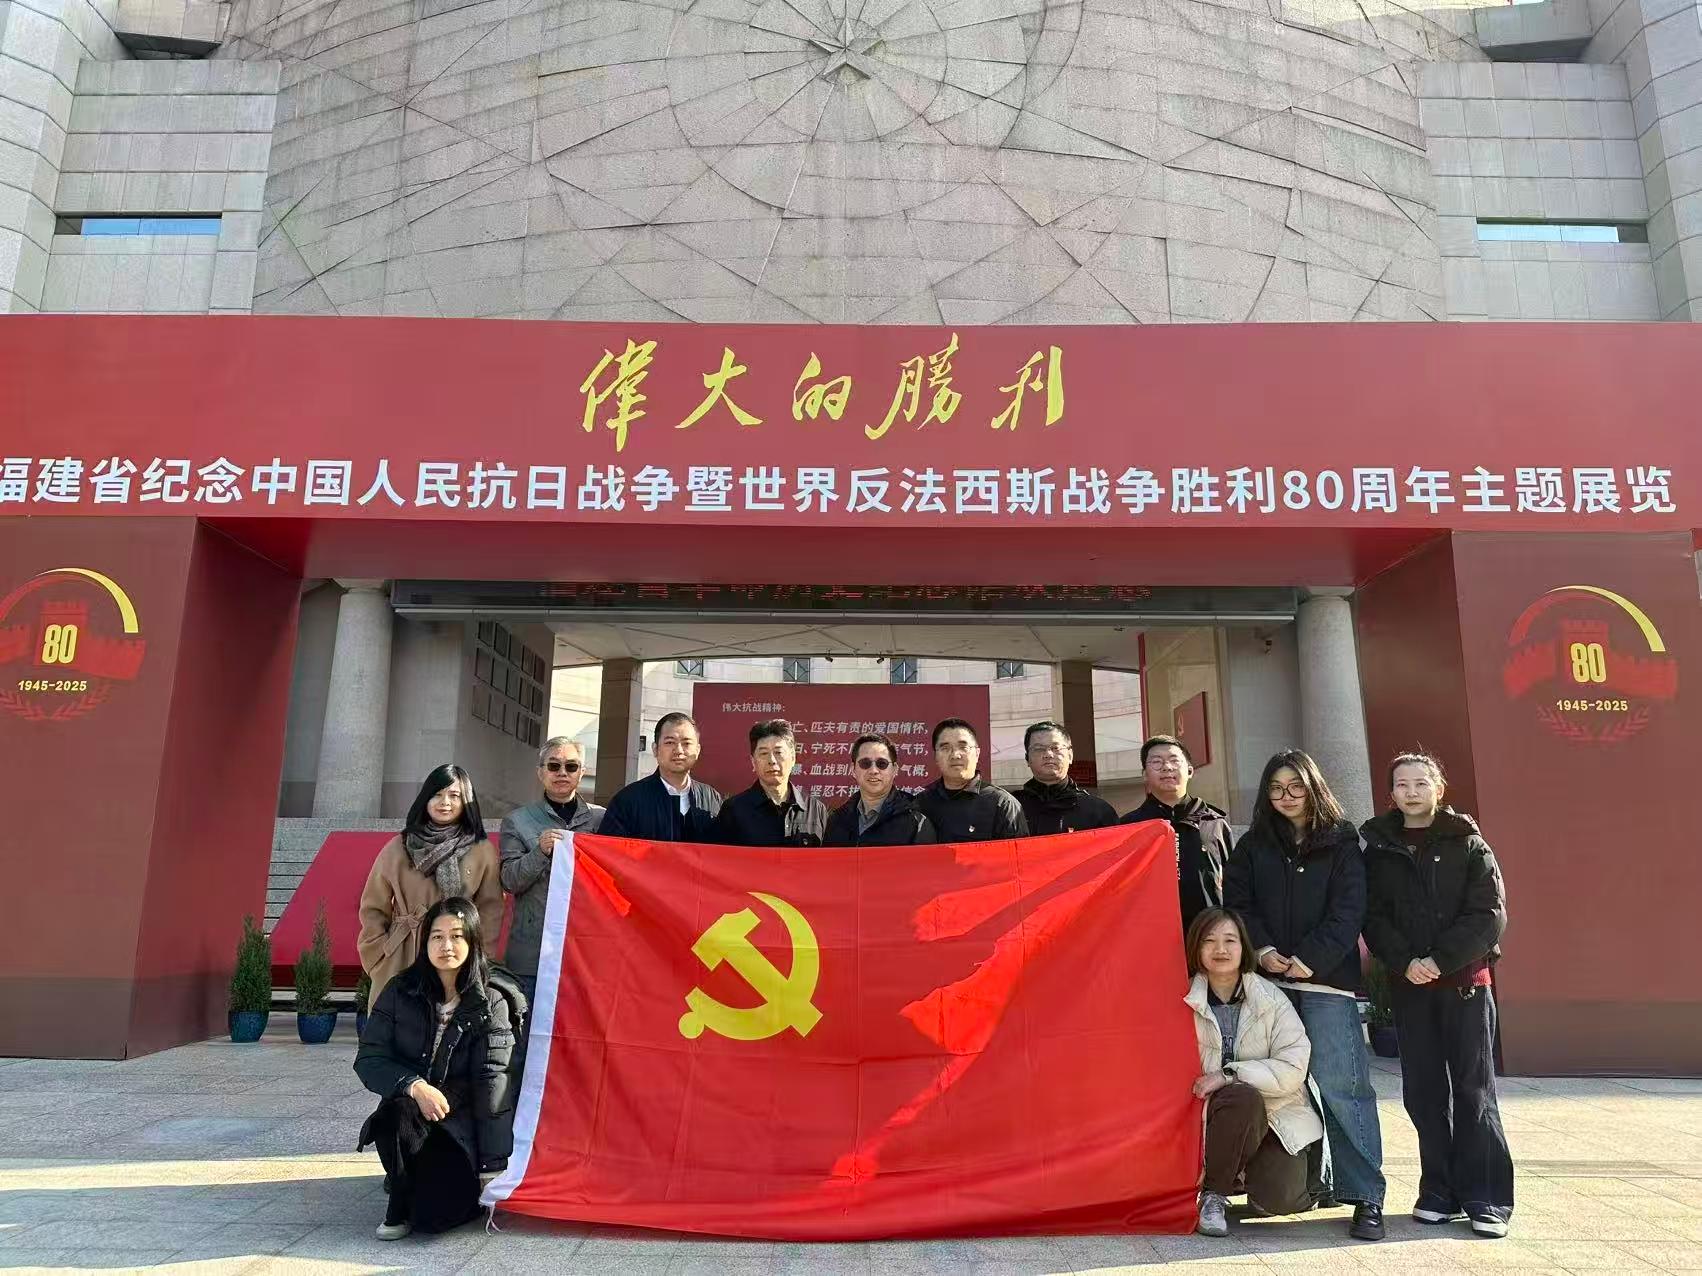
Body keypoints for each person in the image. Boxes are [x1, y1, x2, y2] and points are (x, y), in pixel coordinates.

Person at [1223, 748, 1386, 1241]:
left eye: (1296, 786)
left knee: (1343, 1089)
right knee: (1276, 1087)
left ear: (1314, 787)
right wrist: (1264, 950)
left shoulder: (1342, 843)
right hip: (1270, 986)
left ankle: (1365, 1196)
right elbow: (1238, 903)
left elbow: (1349, 910)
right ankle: (1297, 1183)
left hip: (1325, 984)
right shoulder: (1253, 845)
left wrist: (1309, 958)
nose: (1286, 796)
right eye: (1276, 789)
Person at [1362, 752, 1513, 1239]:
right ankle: (1438, 1191)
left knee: (1474, 1089)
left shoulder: (1469, 842)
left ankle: (1486, 1197)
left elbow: (1488, 914)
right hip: (1411, 987)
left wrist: (1440, 960)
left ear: (1439, 789)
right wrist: (1405, 961)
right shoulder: (1379, 848)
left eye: (1421, 783)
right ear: (1391, 793)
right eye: (1402, 784)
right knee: (1424, 1091)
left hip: (1465, 983)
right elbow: (1373, 916)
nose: (1412, 791)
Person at [355, 897, 526, 1240]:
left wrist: (491, 1167)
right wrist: (415, 1086)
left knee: (433, 1220)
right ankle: (399, 1199)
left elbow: (493, 1085)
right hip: (411, 1117)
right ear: (425, 943)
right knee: (398, 1111)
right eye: (437, 936)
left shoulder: (492, 999)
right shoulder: (401, 990)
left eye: (457, 936)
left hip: (460, 1125)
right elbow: (370, 1058)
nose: (446, 946)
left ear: (473, 941)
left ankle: (423, 1188)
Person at [1186, 906, 1324, 1237]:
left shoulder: (1270, 998)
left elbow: (1293, 1065)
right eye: (1209, 941)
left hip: (1272, 1116)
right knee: (1241, 1098)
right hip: (1203, 1116)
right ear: (1196, 948)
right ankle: (1214, 1194)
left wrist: (1230, 1074)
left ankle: (1243, 1174)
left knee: (1282, 1199)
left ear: (1243, 947)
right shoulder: (1182, 999)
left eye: (1230, 940)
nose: (1220, 949)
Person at [358, 764, 503, 1006]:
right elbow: (373, 906)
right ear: (425, 798)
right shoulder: (398, 847)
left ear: (467, 801)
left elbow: (491, 910)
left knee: (448, 1024)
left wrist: (481, 958)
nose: (445, 802)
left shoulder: (482, 851)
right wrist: (378, 954)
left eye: (454, 795)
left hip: (456, 955)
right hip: (401, 956)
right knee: (396, 1024)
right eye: (437, 794)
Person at [499, 737, 605, 1004]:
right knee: (527, 1026)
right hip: (533, 953)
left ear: (582, 772)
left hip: (586, 951)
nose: (562, 773)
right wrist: (539, 852)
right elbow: (509, 880)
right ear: (540, 772)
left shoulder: (601, 820)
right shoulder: (517, 821)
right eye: (554, 765)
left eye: (571, 766)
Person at [1121, 734, 1231, 931]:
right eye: (1156, 762)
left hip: (1208, 935)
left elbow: (1235, 885)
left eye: (1174, 760)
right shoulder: (1128, 826)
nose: (1167, 767)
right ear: (1145, 774)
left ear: (1189, 771)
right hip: (1150, 934)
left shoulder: (1215, 823)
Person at [599, 712, 723, 841]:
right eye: (670, 742)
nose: (679, 750)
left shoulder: (711, 798)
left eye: (686, 743)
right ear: (655, 749)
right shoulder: (628, 800)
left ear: (697, 750)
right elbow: (608, 849)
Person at [712, 719, 829, 846]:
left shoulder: (816, 810)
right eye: (764, 753)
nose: (772, 760)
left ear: (793, 758)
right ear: (753, 762)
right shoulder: (733, 810)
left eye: (778, 752)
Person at [913, 718, 1028, 842]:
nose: (955, 755)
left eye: (963, 747)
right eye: (945, 748)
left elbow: (1018, 852)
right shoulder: (921, 803)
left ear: (977, 753)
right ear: (935, 756)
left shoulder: (1002, 804)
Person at [824, 732, 938, 846]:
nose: (873, 771)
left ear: (894, 769)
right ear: (853, 769)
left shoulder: (916, 823)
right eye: (865, 763)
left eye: (882, 763)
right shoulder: (836, 820)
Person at [1011, 720, 1118, 836]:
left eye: (1055, 748)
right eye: (1039, 749)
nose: (1048, 754)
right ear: (1027, 758)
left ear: (1070, 756)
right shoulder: (1011, 808)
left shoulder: (1097, 810)